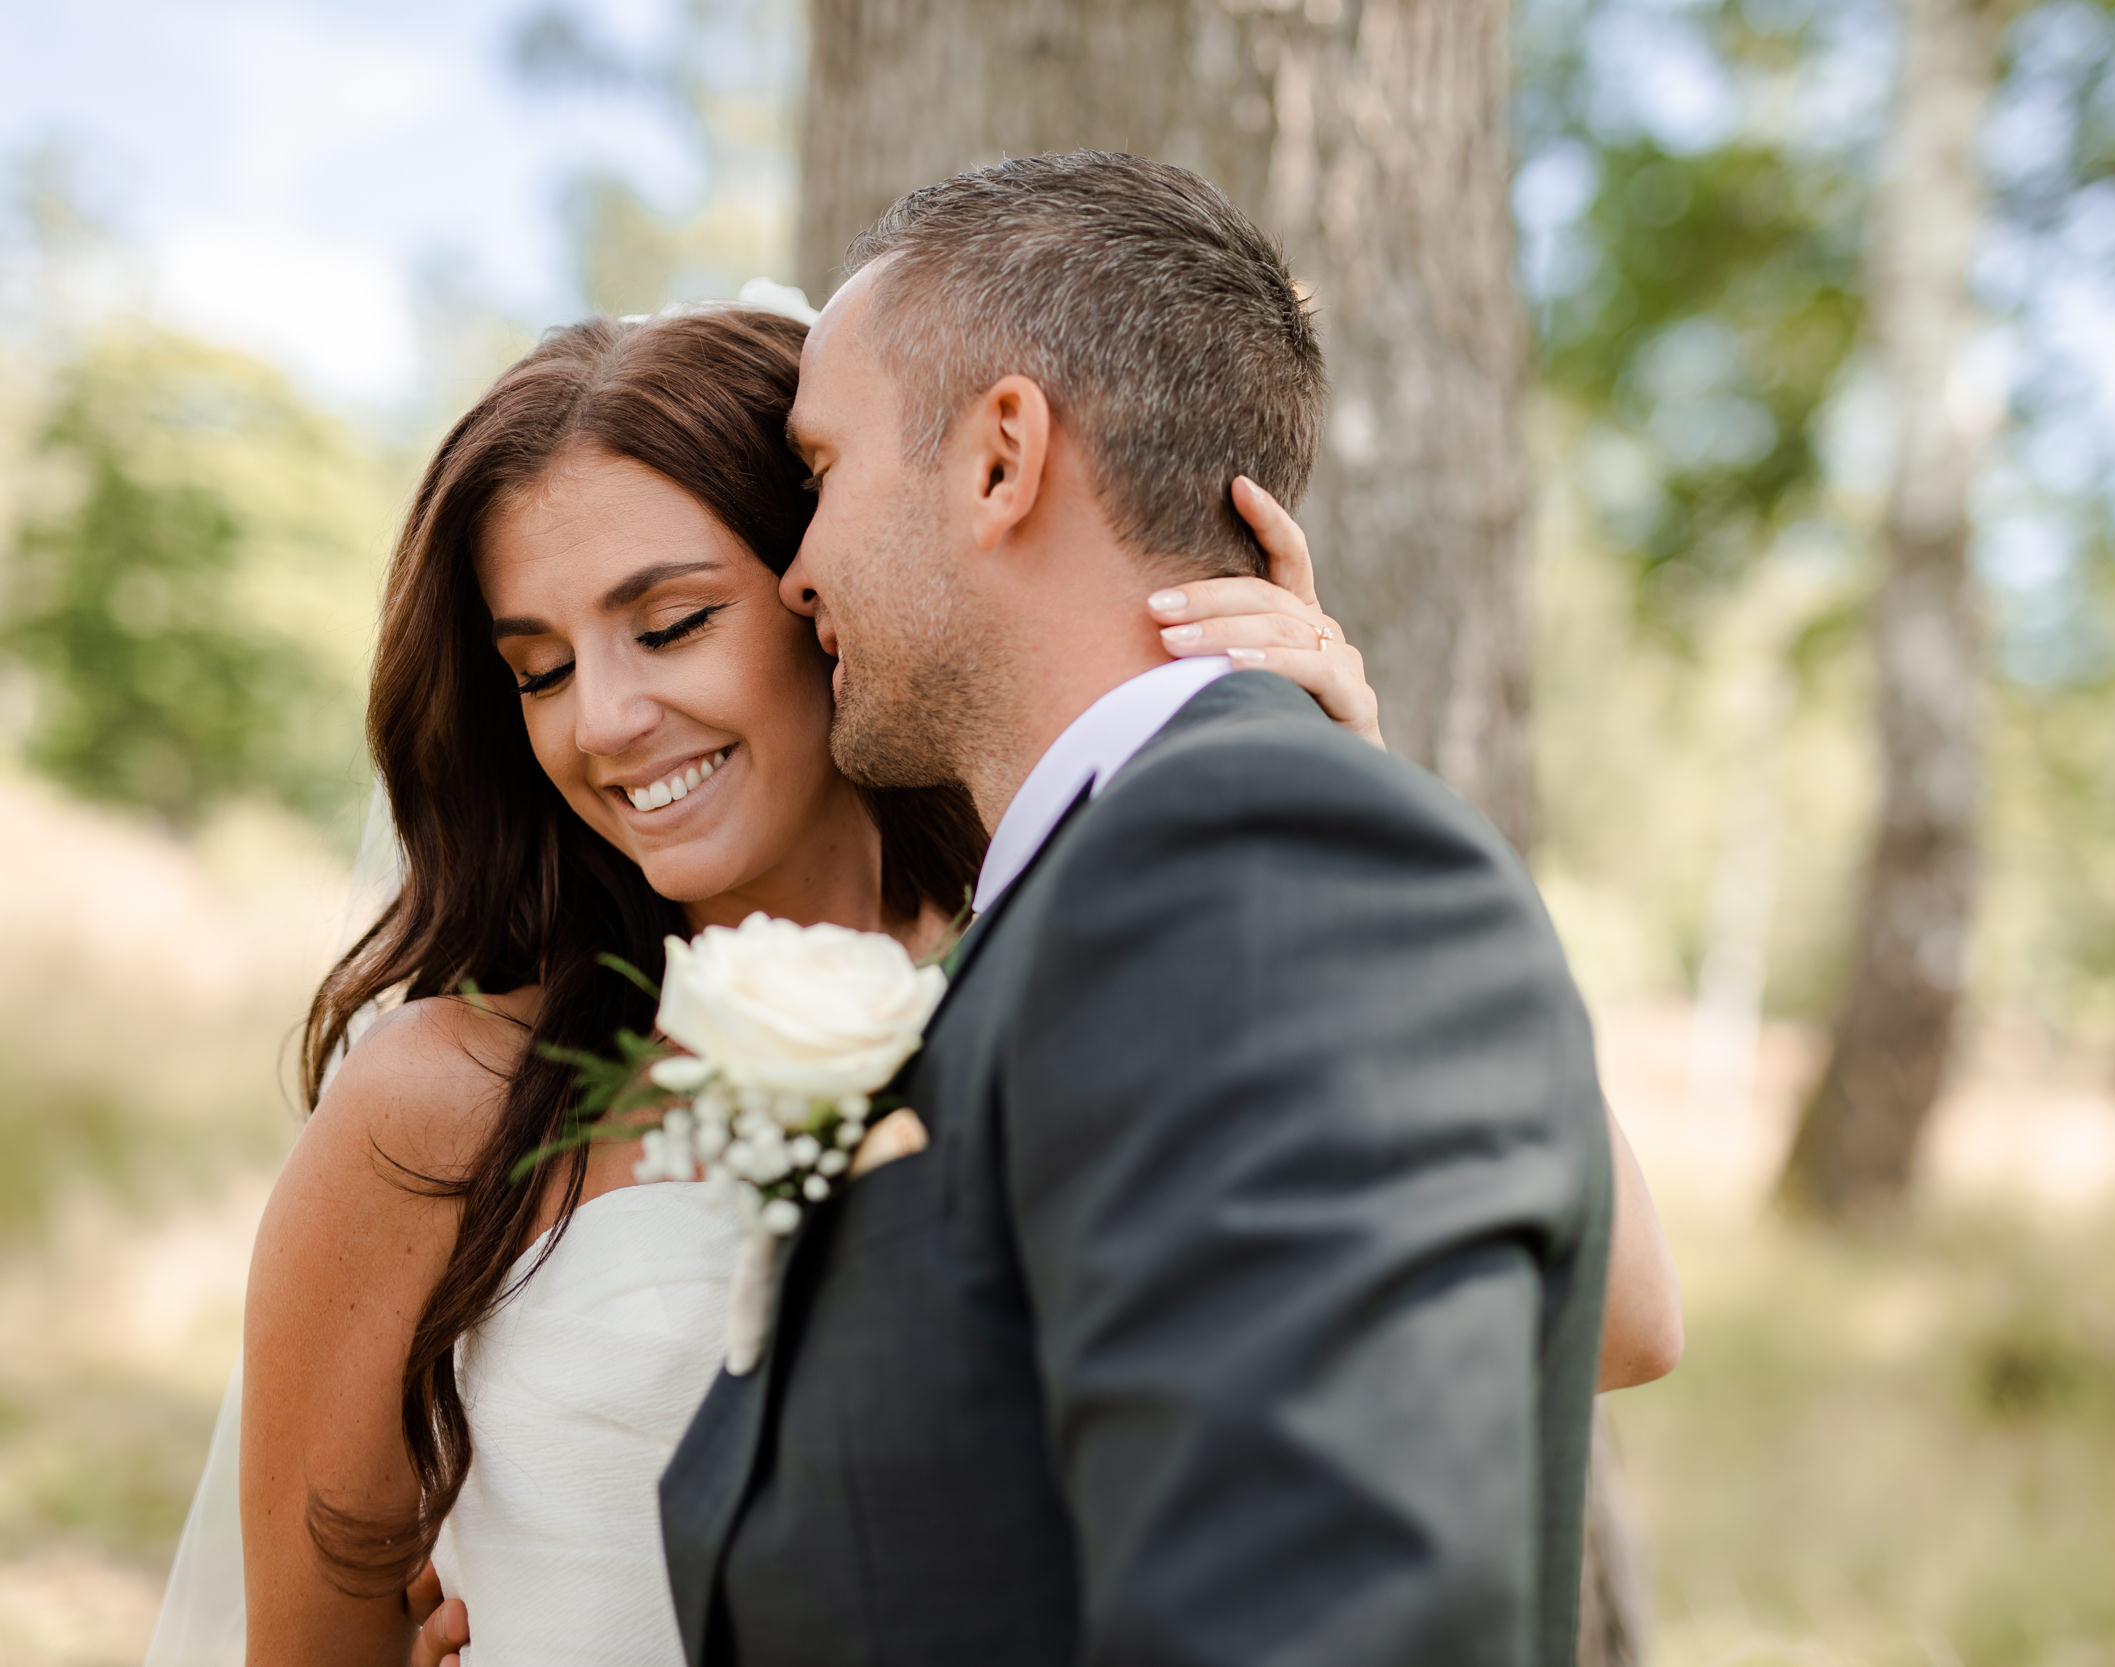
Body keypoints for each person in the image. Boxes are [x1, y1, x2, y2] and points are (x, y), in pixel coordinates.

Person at [154, 300, 1675, 1666]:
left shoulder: (1070, 983)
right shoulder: (438, 1104)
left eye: (672, 622)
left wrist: (1351, 784)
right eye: (539, 667)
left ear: (825, 588)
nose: (605, 719)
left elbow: (1617, 1317)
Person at [659, 153, 1651, 1667]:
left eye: (821, 471)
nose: (795, 569)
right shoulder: (1118, 887)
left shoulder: (1252, 867)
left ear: (1001, 459)